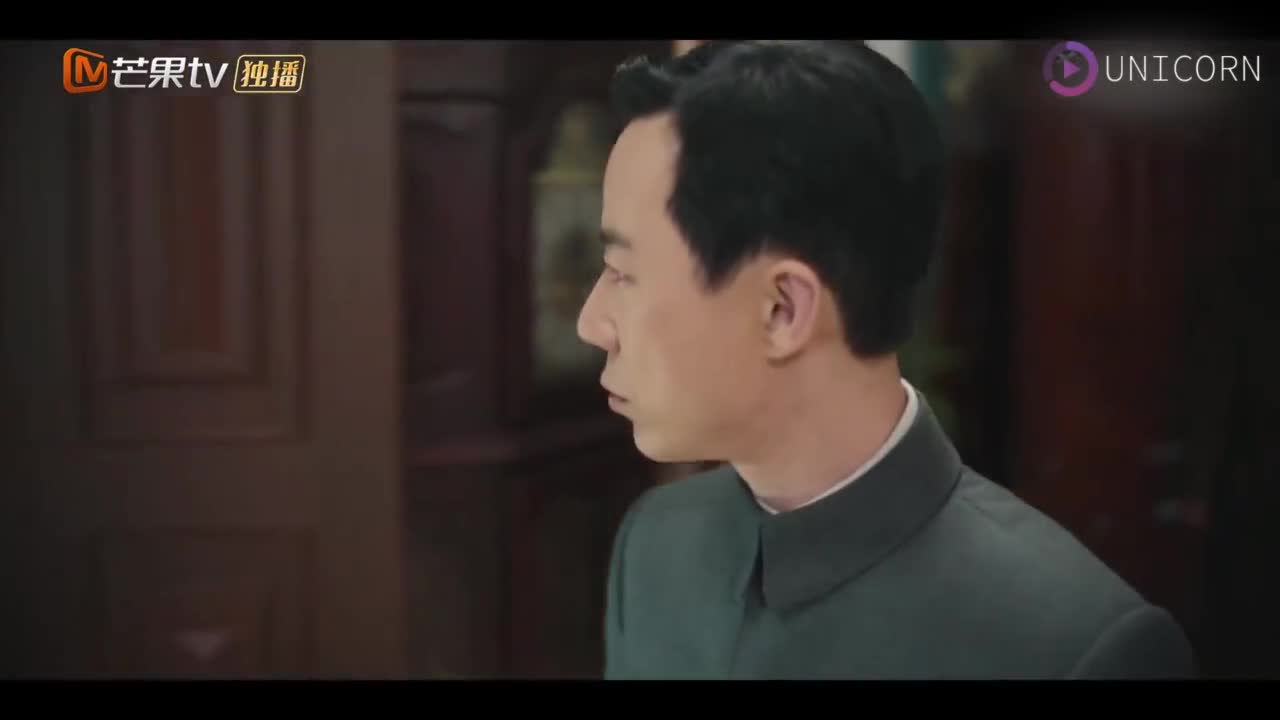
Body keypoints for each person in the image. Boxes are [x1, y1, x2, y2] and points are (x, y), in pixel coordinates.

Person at [575, 40, 1198, 679]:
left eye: (623, 272)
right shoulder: (656, 546)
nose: (590, 323)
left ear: (783, 309)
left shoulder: (1078, 648)